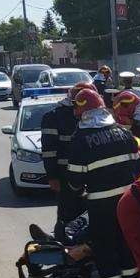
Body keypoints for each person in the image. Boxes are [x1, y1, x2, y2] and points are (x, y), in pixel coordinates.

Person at [65, 87, 140, 278]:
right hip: (128, 202)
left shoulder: (81, 140)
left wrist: (79, 193)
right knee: (126, 246)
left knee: (105, 251)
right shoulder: (124, 133)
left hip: (100, 206)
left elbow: (75, 181)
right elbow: (137, 165)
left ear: (83, 111)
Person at [40, 82, 91, 240]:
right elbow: (48, 151)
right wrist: (52, 177)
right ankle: (61, 240)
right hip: (65, 175)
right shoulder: (54, 117)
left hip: (88, 174)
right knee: (67, 211)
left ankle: (73, 241)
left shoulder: (89, 115)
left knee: (85, 211)